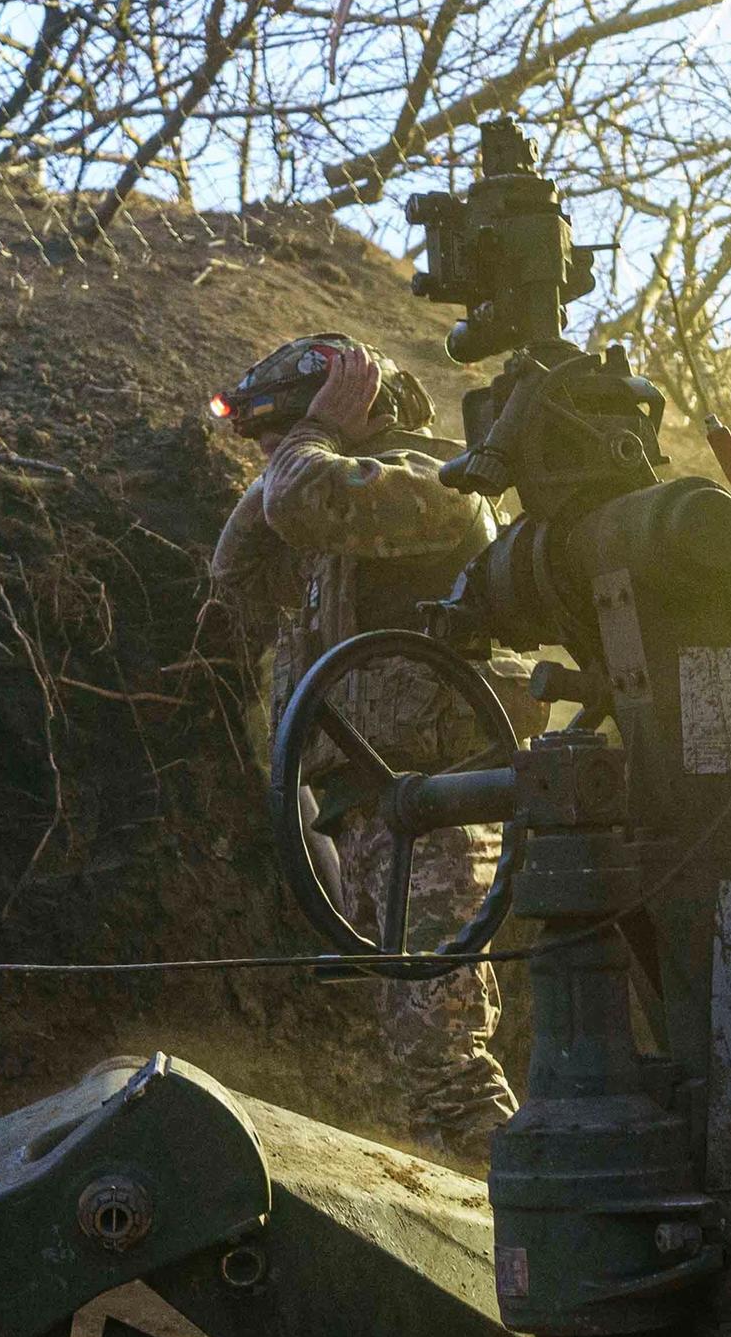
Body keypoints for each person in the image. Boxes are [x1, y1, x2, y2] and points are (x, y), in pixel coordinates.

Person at [201, 332, 514, 1156]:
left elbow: (306, 499)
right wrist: (291, 447)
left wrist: (312, 439)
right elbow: (233, 576)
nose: (278, 459)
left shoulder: (435, 486)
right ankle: (485, 1206)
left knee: (449, 1064)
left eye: (283, 441)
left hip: (440, 804)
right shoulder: (320, 506)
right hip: (373, 810)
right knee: (422, 1065)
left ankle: (529, 1221)